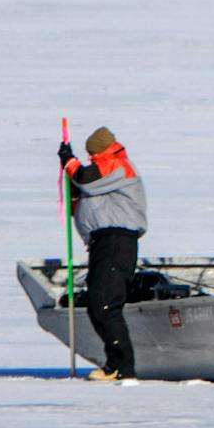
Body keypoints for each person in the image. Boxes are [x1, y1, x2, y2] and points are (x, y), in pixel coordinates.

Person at [60, 125, 149, 381]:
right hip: (103, 242)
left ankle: (122, 368)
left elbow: (85, 178)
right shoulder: (106, 169)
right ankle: (115, 365)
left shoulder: (117, 164)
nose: (90, 158)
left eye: (91, 154)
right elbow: (83, 187)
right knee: (98, 306)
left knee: (106, 305)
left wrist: (70, 161)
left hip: (116, 240)